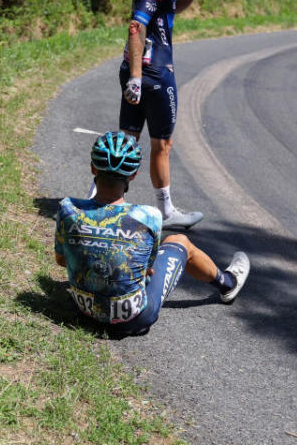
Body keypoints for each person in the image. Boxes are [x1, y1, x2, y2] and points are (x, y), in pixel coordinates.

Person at [54, 132, 249, 336]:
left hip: (81, 312)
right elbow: (147, 271)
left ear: (92, 167)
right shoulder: (149, 216)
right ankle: (228, 284)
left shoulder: (67, 208)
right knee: (179, 241)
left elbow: (61, 261)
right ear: (134, 174)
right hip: (134, 319)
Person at [118, 0, 215, 230]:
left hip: (136, 69)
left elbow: (172, 6)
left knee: (127, 142)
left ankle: (104, 201)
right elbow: (137, 24)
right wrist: (136, 76)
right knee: (162, 146)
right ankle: (167, 212)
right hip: (156, 73)